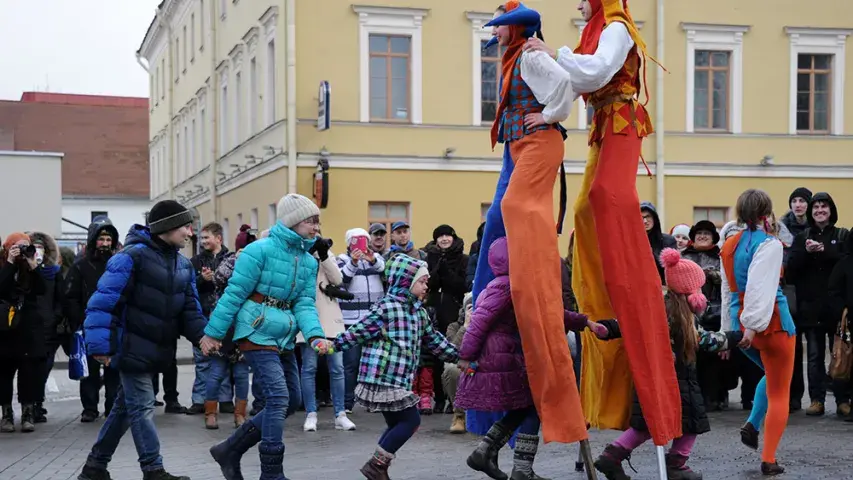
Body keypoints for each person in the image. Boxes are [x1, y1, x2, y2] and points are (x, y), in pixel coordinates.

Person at [524, 0, 681, 445]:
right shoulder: (593, 27)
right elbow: (572, 83)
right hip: (603, 126)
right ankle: (600, 292)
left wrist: (555, 54)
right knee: (582, 212)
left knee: (606, 197)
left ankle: (627, 269)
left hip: (622, 123)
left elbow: (593, 73)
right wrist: (548, 107)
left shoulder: (616, 27)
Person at [472, 0, 585, 445]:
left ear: (516, 29)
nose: (496, 32)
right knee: (512, 208)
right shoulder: (515, 57)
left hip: (539, 140)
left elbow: (565, 87)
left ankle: (534, 265)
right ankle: (527, 263)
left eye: (501, 26)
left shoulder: (533, 56)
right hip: (524, 143)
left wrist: (551, 115)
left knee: (515, 208)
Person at [205, 193, 332, 480]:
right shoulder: (258, 251)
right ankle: (271, 473)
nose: (316, 228)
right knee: (277, 397)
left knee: (291, 400)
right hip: (256, 329)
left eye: (317, 222)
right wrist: (213, 333)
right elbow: (234, 293)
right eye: (312, 221)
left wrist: (315, 336)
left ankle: (230, 449)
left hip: (284, 334)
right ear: (293, 222)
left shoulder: (308, 261)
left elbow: (304, 303)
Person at [78, 200, 207, 480]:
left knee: (125, 409)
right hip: (129, 346)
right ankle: (153, 469)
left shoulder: (183, 265)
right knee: (143, 406)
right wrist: (100, 347)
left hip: (155, 349)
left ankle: (94, 468)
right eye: (186, 226)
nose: (190, 233)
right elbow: (101, 305)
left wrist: (205, 338)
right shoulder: (130, 258)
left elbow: (190, 311)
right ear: (168, 228)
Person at [457, 237, 601, 480]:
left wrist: (584, 321)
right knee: (531, 405)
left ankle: (486, 451)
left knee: (527, 405)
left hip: (505, 354)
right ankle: (516, 467)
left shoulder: (507, 285)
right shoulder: (507, 287)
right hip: (501, 356)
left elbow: (548, 312)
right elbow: (479, 322)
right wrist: (466, 355)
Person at [593, 249, 743, 480]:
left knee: (647, 424)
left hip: (653, 376)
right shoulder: (682, 316)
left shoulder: (654, 305)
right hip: (680, 378)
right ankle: (676, 465)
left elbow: (628, 322)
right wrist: (734, 337)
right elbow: (704, 341)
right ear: (690, 290)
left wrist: (609, 328)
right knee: (692, 421)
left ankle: (611, 457)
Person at [333, 254, 459, 480]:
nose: (426, 286)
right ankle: (376, 465)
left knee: (396, 424)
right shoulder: (386, 307)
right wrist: (333, 345)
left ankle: (378, 468)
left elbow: (435, 341)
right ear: (405, 282)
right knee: (411, 421)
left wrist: (460, 356)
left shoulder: (419, 312)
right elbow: (358, 331)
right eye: (421, 281)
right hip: (382, 377)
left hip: (400, 379)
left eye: (426, 281)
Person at [721, 189, 796, 476]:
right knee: (780, 391)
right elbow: (759, 289)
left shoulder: (728, 244)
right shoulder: (770, 244)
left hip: (741, 324)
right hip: (772, 325)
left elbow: (730, 291)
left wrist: (731, 332)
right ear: (766, 212)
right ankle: (769, 459)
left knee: (772, 374)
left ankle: (752, 424)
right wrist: (753, 327)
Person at [64, 216, 121, 423]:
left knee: (114, 369)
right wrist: (80, 321)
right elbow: (70, 297)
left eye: (108, 240)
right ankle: (89, 408)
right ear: (92, 240)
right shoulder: (80, 267)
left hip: (114, 325)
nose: (105, 244)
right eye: (101, 239)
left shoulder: (118, 265)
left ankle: (112, 406)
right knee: (90, 371)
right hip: (88, 326)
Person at [299, 234, 356, 432]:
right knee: (309, 368)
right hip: (308, 318)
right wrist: (308, 254)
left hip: (331, 320)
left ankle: (340, 414)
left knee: (337, 368)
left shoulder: (327, 255)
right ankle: (311, 413)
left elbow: (338, 279)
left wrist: (323, 255)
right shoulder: (299, 254)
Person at [203, 226, 257, 429]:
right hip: (224, 324)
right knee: (216, 372)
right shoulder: (231, 260)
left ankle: (240, 414)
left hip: (245, 325)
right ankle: (210, 413)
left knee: (242, 374)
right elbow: (218, 279)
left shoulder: (259, 264)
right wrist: (238, 262)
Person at [0, 233, 46, 433]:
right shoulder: (3, 266)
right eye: (17, 247)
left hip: (28, 329)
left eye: (26, 246)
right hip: (5, 329)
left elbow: (42, 289)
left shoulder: (31, 267)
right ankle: (7, 414)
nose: (22, 250)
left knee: (28, 374)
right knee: (3, 374)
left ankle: (28, 413)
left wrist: (33, 263)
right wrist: (10, 262)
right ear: (8, 248)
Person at [189, 222, 233, 416]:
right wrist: (202, 280)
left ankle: (225, 400)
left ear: (218, 238)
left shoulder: (230, 258)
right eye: (202, 238)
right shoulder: (196, 261)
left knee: (224, 358)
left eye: (207, 237)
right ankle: (199, 400)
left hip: (225, 316)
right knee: (202, 360)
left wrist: (218, 278)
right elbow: (189, 287)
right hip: (203, 315)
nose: (203, 241)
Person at [424, 224, 468, 413]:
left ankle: (453, 399)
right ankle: (439, 398)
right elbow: (429, 283)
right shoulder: (430, 258)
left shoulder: (462, 259)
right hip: (434, 313)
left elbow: (459, 285)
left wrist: (445, 270)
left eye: (447, 236)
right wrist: (437, 268)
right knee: (434, 356)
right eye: (440, 236)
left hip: (452, 312)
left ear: (453, 237)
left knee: (452, 354)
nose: (444, 239)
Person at [28, 231, 66, 424]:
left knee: (45, 368)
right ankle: (31, 404)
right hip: (28, 327)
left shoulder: (54, 272)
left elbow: (60, 299)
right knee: (30, 369)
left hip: (49, 328)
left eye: (41, 247)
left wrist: (55, 317)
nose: (38, 251)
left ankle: (37, 403)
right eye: (35, 247)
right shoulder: (25, 272)